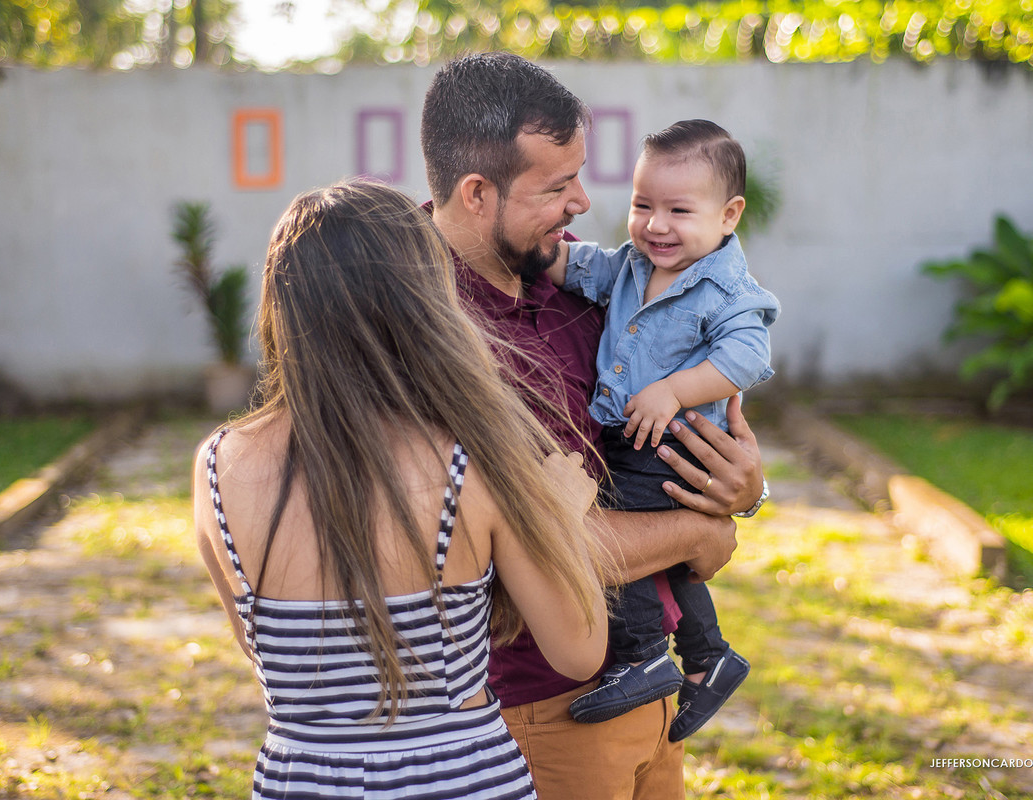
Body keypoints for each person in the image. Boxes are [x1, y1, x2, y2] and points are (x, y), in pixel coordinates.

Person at [421, 52, 768, 799]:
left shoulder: (585, 278)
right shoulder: (426, 329)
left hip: (653, 689)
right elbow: (536, 547)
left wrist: (744, 488)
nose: (583, 201)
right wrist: (704, 532)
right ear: (478, 194)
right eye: (555, 185)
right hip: (544, 706)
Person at [193, 180, 610, 800]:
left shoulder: (216, 466)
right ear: (420, 301)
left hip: (300, 779)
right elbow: (579, 651)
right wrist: (562, 519)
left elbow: (263, 652)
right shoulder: (471, 461)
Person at [546, 120, 780, 740]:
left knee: (624, 538)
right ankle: (708, 659)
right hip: (636, 437)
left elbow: (747, 357)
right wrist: (542, 251)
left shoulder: (726, 289)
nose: (656, 224)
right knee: (669, 555)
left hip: (674, 443)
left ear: (729, 215)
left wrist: (675, 389)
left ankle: (641, 653)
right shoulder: (630, 266)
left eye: (679, 209)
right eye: (642, 205)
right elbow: (580, 268)